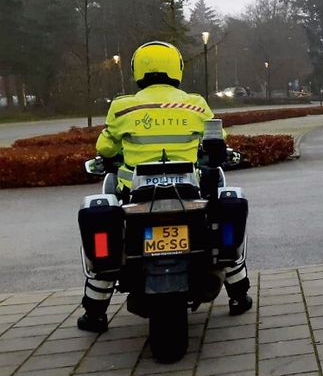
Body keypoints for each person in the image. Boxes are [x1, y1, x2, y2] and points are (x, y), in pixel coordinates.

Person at [77, 41, 252, 333]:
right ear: (176, 68)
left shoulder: (122, 107)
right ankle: (238, 295)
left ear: (137, 70)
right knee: (221, 222)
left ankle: (95, 314)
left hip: (136, 195)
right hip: (188, 192)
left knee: (108, 230)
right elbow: (217, 140)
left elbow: (105, 148)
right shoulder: (195, 104)